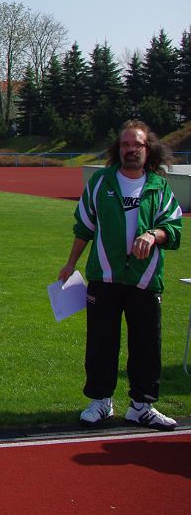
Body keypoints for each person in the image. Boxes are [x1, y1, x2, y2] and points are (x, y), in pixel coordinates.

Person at [58, 119, 183, 430]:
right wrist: (70, 263)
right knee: (101, 343)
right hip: (104, 278)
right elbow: (84, 227)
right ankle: (101, 401)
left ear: (147, 149)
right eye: (125, 144)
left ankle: (142, 406)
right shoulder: (101, 182)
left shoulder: (159, 187)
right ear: (118, 149)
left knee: (147, 346)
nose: (131, 149)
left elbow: (173, 228)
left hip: (145, 280)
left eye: (137, 144)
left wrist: (153, 235)